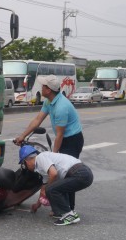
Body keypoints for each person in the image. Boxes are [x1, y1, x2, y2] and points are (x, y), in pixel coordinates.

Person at [14, 74, 84, 210]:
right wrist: (22, 136)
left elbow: (59, 135)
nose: (41, 87)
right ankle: (59, 204)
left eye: (43, 86)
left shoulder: (61, 107)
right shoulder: (48, 102)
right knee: (57, 172)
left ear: (49, 90)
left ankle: (68, 208)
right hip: (64, 137)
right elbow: (37, 120)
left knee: (67, 173)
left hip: (72, 140)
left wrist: (53, 155)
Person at [18, 145, 93, 226]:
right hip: (83, 173)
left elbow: (53, 174)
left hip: (80, 174)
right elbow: (44, 187)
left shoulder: (40, 158)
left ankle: (69, 215)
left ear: (27, 161)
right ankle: (67, 211)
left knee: (51, 188)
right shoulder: (42, 166)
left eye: (24, 164)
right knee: (56, 186)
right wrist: (37, 205)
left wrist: (47, 189)